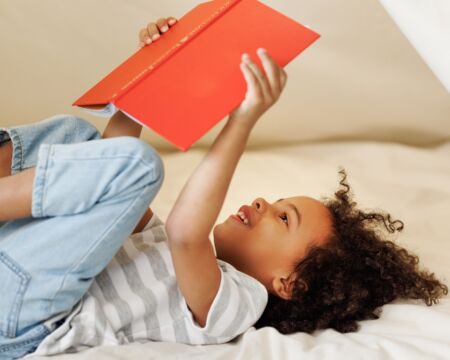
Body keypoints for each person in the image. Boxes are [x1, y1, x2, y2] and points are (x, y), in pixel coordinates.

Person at [0, 15, 447, 360]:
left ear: (290, 284)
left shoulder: (236, 305)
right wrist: (154, 76)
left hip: (27, 317)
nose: (261, 202)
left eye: (282, 216)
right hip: (24, 272)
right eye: (277, 204)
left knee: (138, 168)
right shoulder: (158, 248)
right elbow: (103, 165)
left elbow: (185, 231)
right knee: (80, 141)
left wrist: (244, 118)